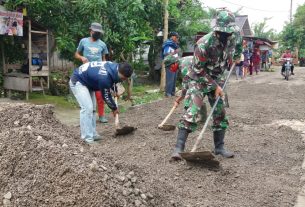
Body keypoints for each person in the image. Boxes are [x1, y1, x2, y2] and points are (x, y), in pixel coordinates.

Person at [170, 9, 242, 160]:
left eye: (229, 32)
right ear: (217, 30)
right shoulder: (203, 44)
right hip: (199, 78)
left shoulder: (234, 36)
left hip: (218, 77)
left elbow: (239, 43)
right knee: (193, 109)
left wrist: (236, 56)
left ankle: (219, 147)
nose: (226, 35)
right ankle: (178, 148)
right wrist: (215, 86)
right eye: (223, 33)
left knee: (220, 111)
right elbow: (197, 70)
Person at [69, 61, 133, 143]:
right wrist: (114, 108)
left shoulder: (115, 67)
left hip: (89, 82)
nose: (123, 80)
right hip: (78, 81)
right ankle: (87, 138)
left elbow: (113, 81)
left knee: (92, 109)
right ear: (119, 72)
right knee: (87, 108)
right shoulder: (104, 77)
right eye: (123, 78)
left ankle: (92, 134)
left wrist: (115, 90)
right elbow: (106, 96)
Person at [75, 22, 109, 123]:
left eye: (99, 32)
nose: (97, 34)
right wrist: (81, 57)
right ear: (91, 31)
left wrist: (105, 70)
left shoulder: (102, 44)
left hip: (98, 73)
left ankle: (101, 115)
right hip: (86, 73)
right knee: (88, 95)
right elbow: (76, 54)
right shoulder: (83, 41)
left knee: (100, 95)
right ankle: (89, 115)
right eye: (96, 32)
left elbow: (104, 60)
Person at [162, 31, 180, 97]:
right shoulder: (168, 44)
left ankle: (172, 93)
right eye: (176, 37)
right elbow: (166, 54)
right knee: (170, 79)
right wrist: (175, 52)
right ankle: (168, 93)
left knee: (174, 79)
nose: (177, 38)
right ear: (172, 37)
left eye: (178, 37)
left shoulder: (174, 45)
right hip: (170, 64)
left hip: (175, 63)